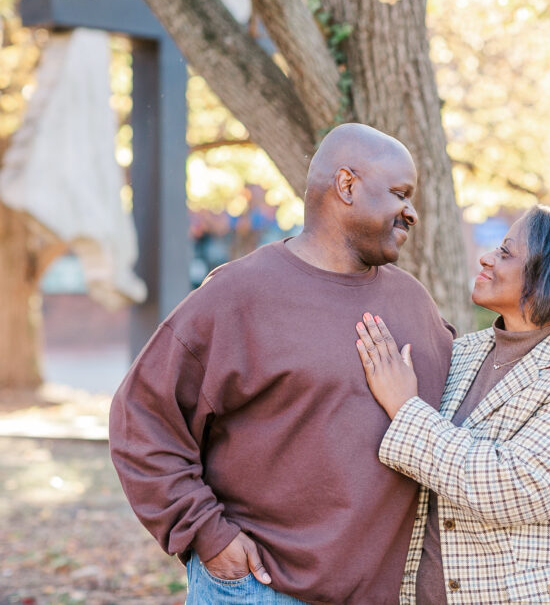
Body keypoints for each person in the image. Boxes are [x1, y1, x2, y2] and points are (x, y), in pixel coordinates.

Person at [108, 124, 456, 603]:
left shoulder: (413, 301)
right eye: (399, 194)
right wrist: (207, 534)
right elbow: (142, 419)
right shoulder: (239, 295)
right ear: (347, 185)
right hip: (258, 588)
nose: (411, 212)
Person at [354, 205, 550, 603]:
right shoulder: (461, 353)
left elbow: (513, 487)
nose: (486, 258)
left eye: (505, 252)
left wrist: (405, 408)